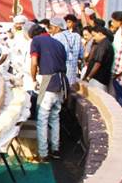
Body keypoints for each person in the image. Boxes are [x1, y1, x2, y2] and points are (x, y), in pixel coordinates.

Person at [30, 23, 68, 162]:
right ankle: (56, 149)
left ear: (33, 35)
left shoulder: (36, 41)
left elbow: (34, 62)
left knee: (42, 119)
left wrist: (33, 79)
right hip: (61, 83)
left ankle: (43, 153)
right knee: (55, 117)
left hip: (48, 81)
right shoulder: (58, 43)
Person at [49, 16, 83, 88]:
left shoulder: (56, 37)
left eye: (51, 28)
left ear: (58, 28)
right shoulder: (77, 36)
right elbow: (81, 55)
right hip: (72, 76)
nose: (50, 30)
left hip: (60, 75)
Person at [83, 25, 115, 94]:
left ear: (100, 34)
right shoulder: (104, 43)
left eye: (94, 36)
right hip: (98, 79)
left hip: (98, 79)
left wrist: (88, 77)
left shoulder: (103, 45)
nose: (93, 38)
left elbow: (98, 63)